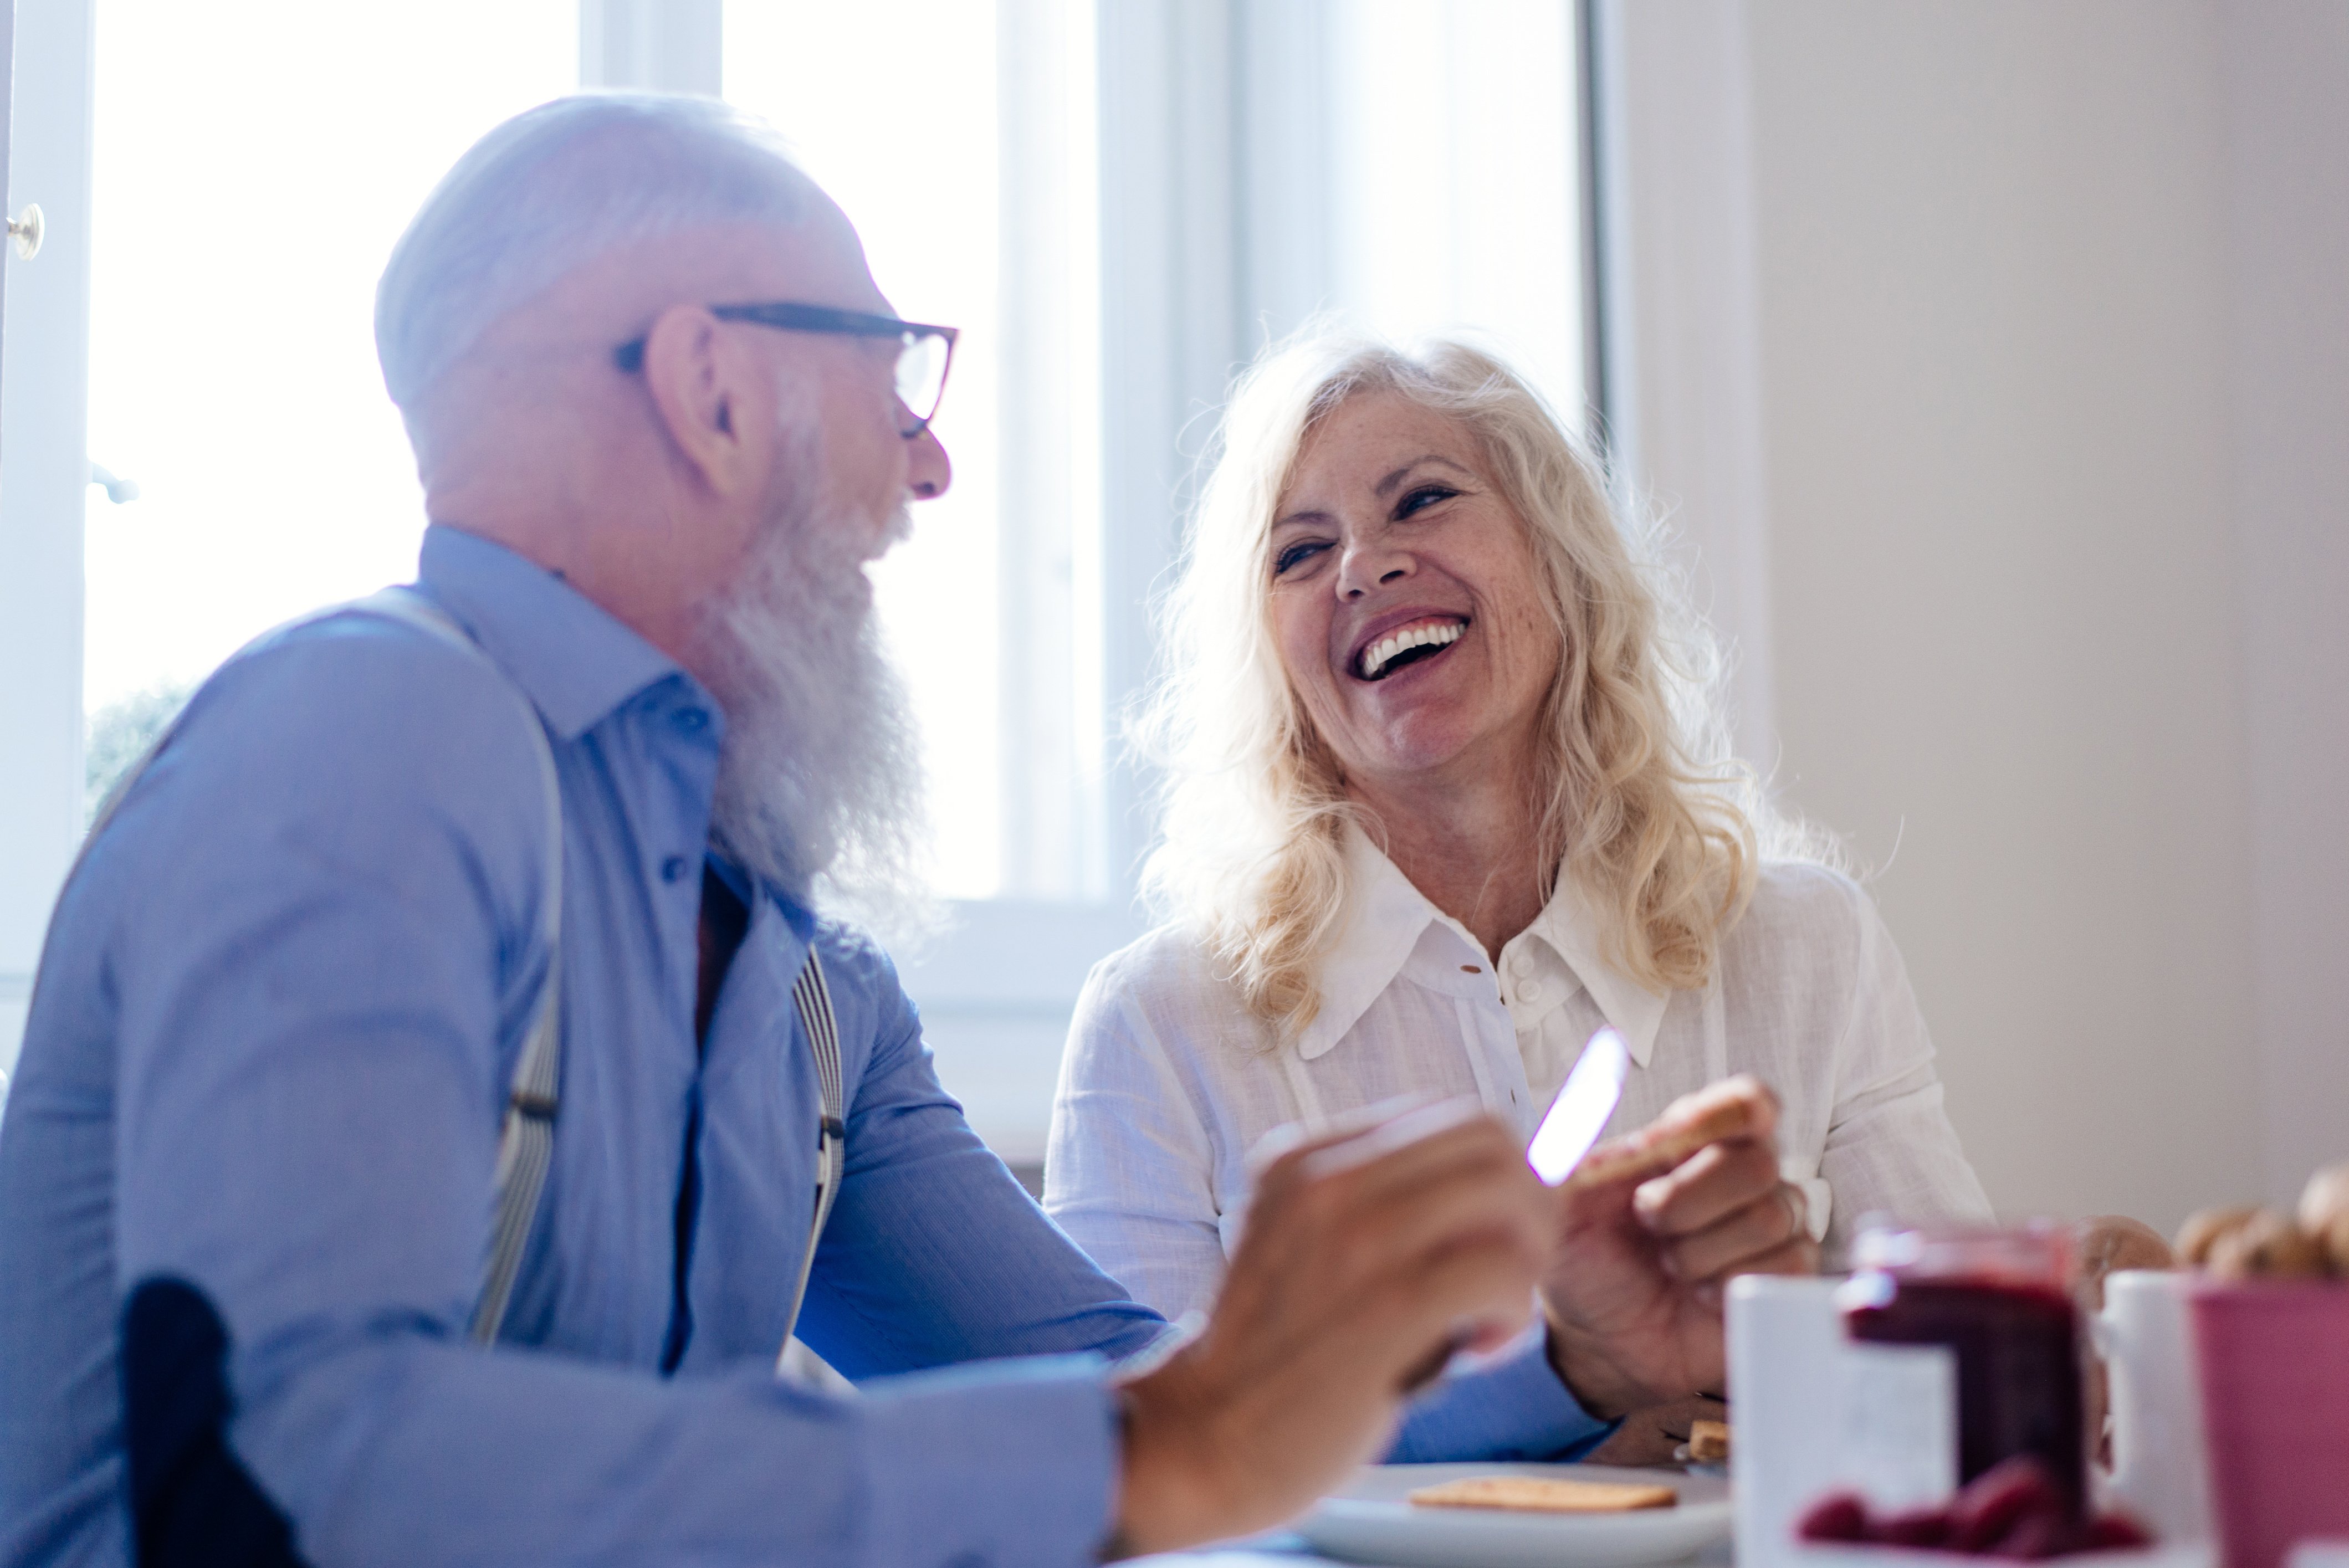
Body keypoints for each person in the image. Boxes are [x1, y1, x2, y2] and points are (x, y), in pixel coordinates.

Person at [0, 97, 1808, 1567]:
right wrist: (1153, 1447)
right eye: (896, 374)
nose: (929, 471)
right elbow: (296, 1469)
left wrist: (1560, 1347)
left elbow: (1152, 1385)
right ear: (714, 390)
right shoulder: (373, 728)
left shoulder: (806, 994)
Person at [1046, 333, 1997, 1452]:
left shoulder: (1807, 944)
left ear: (1558, 557)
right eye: (1298, 552)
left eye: (1420, 499)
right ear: (1273, 664)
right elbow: (1152, 1491)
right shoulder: (1156, 1023)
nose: (1361, 564)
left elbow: (1961, 1385)